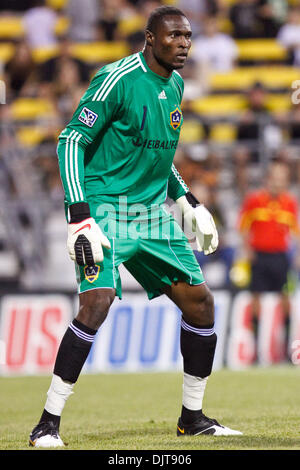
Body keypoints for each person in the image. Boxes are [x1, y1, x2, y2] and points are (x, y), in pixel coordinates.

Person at [29, 6, 242, 447]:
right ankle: (46, 425)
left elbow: (157, 153)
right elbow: (71, 139)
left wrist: (187, 201)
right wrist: (79, 216)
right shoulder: (117, 78)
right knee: (97, 304)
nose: (183, 43)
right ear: (149, 38)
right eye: (174, 36)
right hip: (106, 210)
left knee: (201, 304)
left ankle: (193, 418)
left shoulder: (177, 84)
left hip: (150, 215)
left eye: (188, 36)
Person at [238, 160, 300, 358]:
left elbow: (296, 231)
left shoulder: (289, 202)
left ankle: (285, 349)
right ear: (268, 179)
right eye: (275, 178)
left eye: (282, 179)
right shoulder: (254, 200)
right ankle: (255, 350)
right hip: (259, 256)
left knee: (285, 299)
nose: (278, 182)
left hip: (281, 257)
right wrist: (247, 249)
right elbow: (243, 228)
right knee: (255, 298)